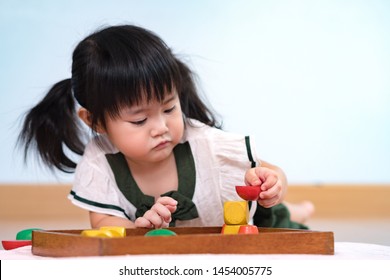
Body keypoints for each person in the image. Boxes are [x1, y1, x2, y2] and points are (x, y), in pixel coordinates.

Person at [18, 24, 314, 229]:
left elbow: (270, 171)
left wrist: (272, 183)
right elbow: (104, 224)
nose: (160, 127)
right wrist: (137, 227)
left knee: (281, 218)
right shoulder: (99, 164)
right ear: (96, 122)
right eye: (139, 120)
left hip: (250, 224)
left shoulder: (204, 142)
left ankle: (296, 210)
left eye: (169, 108)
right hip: (175, 249)